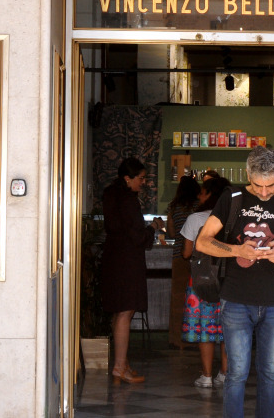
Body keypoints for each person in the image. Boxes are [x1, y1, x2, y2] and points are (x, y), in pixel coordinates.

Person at [195, 146, 274, 418]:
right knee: (237, 373)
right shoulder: (231, 198)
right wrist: (236, 250)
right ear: (248, 175)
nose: (265, 192)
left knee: (270, 372)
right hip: (236, 300)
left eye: (272, 185)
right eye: (258, 185)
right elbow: (202, 241)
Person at [100, 157, 165, 384]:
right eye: (141, 178)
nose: (144, 182)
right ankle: (119, 366)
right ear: (127, 178)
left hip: (113, 258)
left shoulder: (111, 196)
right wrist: (154, 227)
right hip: (127, 261)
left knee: (119, 312)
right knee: (126, 312)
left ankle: (122, 363)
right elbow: (137, 236)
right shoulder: (128, 200)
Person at [180, 175, 232, 388]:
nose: (200, 195)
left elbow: (186, 253)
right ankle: (225, 374)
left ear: (211, 194)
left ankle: (207, 376)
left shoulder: (196, 219)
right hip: (230, 280)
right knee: (229, 329)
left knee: (205, 328)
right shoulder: (233, 217)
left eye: (203, 191)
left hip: (201, 280)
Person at [165, 175, 201, 346]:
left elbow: (171, 233)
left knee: (177, 298)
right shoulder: (199, 206)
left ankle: (175, 339)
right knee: (197, 298)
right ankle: (194, 337)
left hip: (178, 256)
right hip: (197, 257)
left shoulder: (173, 207)